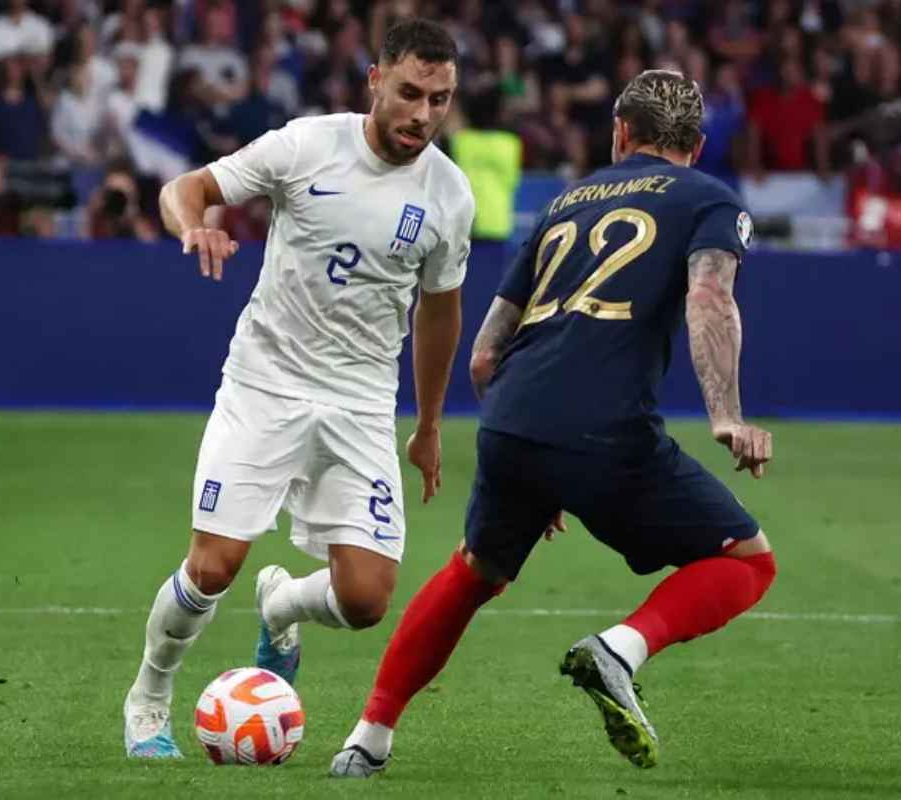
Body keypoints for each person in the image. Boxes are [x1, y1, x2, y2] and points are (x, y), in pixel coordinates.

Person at [330, 69, 777, 778]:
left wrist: (533, 456)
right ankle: (620, 650)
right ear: (694, 145)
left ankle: (366, 739)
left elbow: (483, 355)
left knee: (474, 571)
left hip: (512, 420)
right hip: (604, 429)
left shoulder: (567, 204)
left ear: (621, 133)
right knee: (749, 561)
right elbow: (710, 294)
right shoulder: (709, 200)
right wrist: (727, 417)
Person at [122, 19, 474, 759]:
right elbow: (187, 188)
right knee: (213, 565)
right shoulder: (306, 145)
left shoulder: (449, 194)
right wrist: (196, 227)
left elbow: (440, 309)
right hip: (266, 383)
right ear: (375, 80)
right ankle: (149, 700)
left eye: (440, 99)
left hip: (360, 402)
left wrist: (430, 423)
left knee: (367, 599)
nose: (423, 114)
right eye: (410, 92)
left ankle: (282, 606)